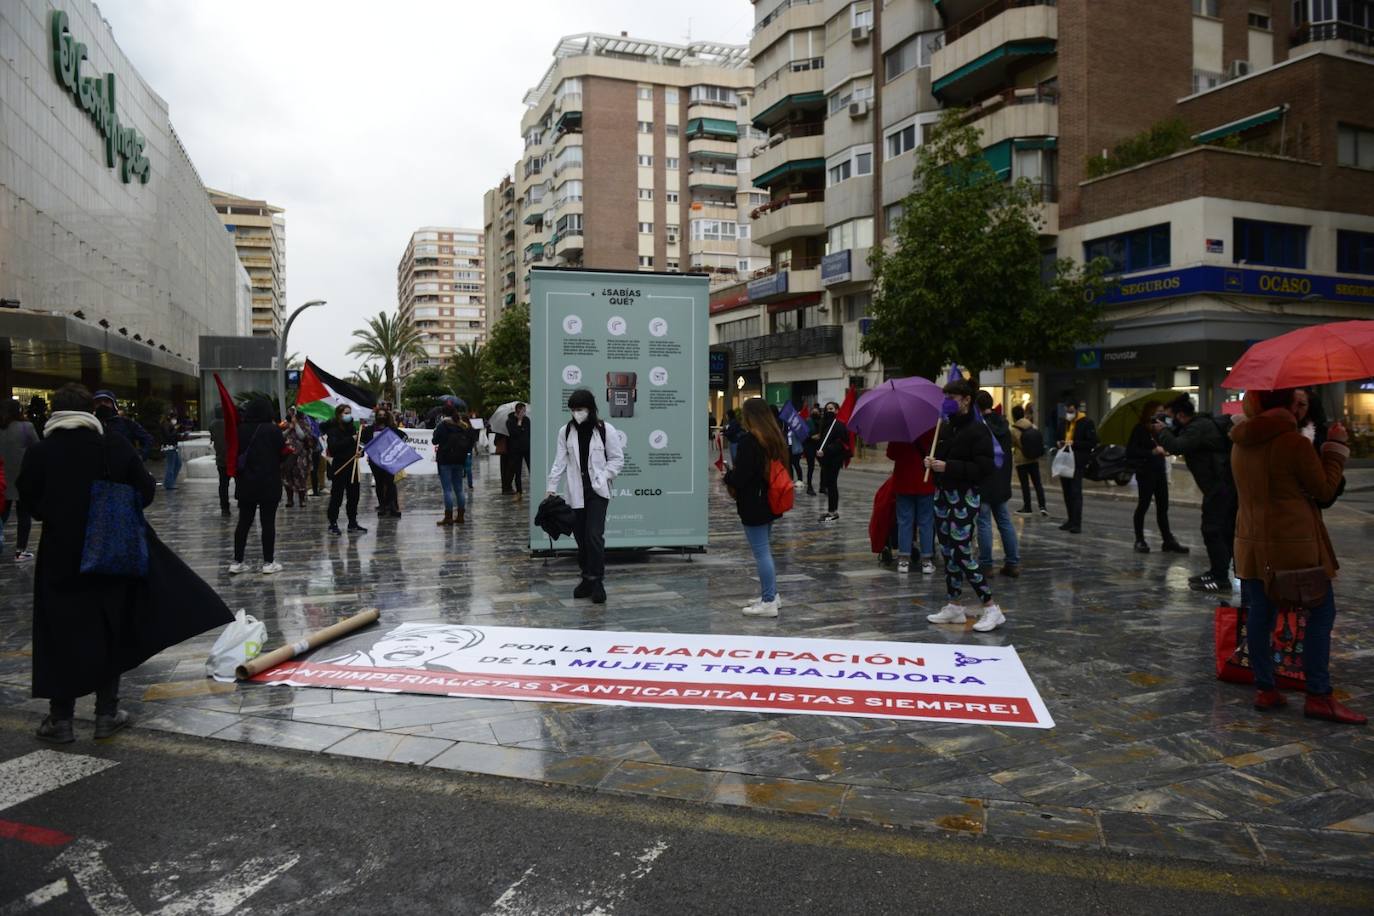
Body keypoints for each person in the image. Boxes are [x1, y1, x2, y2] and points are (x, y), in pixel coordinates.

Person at [19, 383, 232, 744]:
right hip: (110, 553)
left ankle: (61, 719)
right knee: (109, 628)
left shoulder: (41, 452)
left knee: (60, 632)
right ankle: (106, 714)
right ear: (91, 413)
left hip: (59, 556)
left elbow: (30, 502)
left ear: (56, 412)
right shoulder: (110, 445)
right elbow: (146, 491)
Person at [1232, 388, 1363, 724]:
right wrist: (1335, 449)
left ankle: (1266, 688)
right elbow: (1324, 490)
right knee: (1321, 613)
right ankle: (1319, 695)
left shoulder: (1241, 441)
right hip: (1295, 548)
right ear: (1290, 405)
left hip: (1252, 546)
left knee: (1261, 617)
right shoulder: (1293, 444)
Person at [924, 380, 1005, 632]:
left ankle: (991, 606)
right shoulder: (945, 427)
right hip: (942, 495)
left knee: (962, 551)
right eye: (945, 396)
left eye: (952, 396)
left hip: (965, 497)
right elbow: (941, 460)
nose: (947, 400)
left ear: (966, 399)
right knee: (947, 550)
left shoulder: (978, 430)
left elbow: (984, 468)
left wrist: (949, 467)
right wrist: (929, 462)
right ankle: (955, 605)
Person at [546, 390, 624, 605]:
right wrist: (551, 487)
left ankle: (597, 580)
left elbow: (617, 460)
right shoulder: (565, 432)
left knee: (594, 536)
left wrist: (603, 476)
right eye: (573, 410)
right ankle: (586, 579)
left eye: (579, 409)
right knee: (580, 537)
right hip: (575, 493)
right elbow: (559, 461)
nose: (576, 413)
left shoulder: (605, 430)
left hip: (598, 492)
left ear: (590, 408)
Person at [1155, 394, 1234, 592]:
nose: (1167, 421)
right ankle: (1217, 572)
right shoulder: (1194, 426)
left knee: (1213, 530)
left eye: (1169, 417)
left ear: (1180, 415)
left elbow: (1176, 446)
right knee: (1218, 530)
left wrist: (1163, 431)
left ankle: (1221, 577)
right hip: (1218, 487)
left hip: (1221, 487)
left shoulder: (1199, 427)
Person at [723, 399, 788, 617]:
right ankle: (772, 594)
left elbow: (741, 477)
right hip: (769, 501)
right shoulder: (773, 438)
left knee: (761, 552)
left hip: (754, 502)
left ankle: (768, 601)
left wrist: (727, 476)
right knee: (765, 550)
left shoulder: (750, 441)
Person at [231, 398, 285, 575]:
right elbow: (282, 453)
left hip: (246, 483)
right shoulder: (273, 430)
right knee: (268, 523)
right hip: (269, 483)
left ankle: (237, 561)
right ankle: (268, 563)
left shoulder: (240, 429)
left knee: (244, 522)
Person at [1127, 401, 1188, 555]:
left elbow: (1170, 441)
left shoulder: (1159, 429)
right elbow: (1132, 451)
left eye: (1162, 411)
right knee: (1144, 505)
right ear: (1150, 412)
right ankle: (1139, 539)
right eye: (1157, 411)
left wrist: (1165, 446)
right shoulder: (1140, 429)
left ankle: (1168, 540)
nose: (1160, 414)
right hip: (1145, 472)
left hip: (1159, 471)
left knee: (1163, 507)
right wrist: (1151, 452)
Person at [975, 391, 1020, 577]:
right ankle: (1013, 562)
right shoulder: (1004, 425)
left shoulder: (980, 427)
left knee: (984, 522)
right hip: (1001, 481)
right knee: (1004, 521)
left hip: (984, 481)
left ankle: (986, 565)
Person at [886, 428, 937, 576]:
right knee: (926, 522)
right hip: (925, 482)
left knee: (904, 521)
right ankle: (927, 560)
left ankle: (904, 560)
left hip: (903, 482)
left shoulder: (898, 432)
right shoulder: (931, 430)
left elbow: (891, 454)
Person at [0, 401, 39, 561]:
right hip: (22, 477)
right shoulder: (26, 427)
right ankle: (20, 551)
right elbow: (36, 448)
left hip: (2, 477)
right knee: (24, 515)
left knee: (2, 513)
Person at [322, 404, 367, 536]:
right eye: (346, 413)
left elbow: (357, 445)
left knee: (354, 496)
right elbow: (334, 448)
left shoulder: (352, 428)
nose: (349, 415)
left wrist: (360, 452)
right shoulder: (333, 430)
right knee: (337, 496)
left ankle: (352, 522)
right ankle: (333, 523)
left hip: (353, 467)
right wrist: (351, 439)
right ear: (339, 414)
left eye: (350, 412)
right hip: (340, 467)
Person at [1056, 400, 1097, 534]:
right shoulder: (1063, 422)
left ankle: (1076, 522)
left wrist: (1074, 443)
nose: (1069, 413)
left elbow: (1091, 442)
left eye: (1071, 411)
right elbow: (1058, 436)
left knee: (1075, 492)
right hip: (1064, 459)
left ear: (1077, 410)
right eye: (1067, 410)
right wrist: (1059, 443)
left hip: (1077, 461)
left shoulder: (1086, 422)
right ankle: (1070, 520)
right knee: (1067, 491)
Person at [434, 404, 477, 525]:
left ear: (443, 414)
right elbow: (471, 439)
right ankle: (460, 516)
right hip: (459, 459)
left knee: (447, 489)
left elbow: (434, 440)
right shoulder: (462, 424)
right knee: (459, 489)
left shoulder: (442, 425)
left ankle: (448, 517)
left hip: (445, 460)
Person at [363, 408, 402, 518]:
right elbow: (363, 441)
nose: (381, 417)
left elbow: (400, 440)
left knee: (390, 483)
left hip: (389, 460)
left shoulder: (392, 429)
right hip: (375, 461)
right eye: (379, 415)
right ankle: (382, 505)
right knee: (379, 483)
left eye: (383, 415)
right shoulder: (370, 429)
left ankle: (392, 505)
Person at [816, 401, 850, 523]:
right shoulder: (824, 424)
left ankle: (833, 511)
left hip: (834, 460)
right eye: (827, 409)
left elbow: (842, 443)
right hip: (825, 461)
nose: (828, 411)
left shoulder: (839, 425)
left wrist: (827, 450)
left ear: (836, 410)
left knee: (832, 485)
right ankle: (830, 510)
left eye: (831, 409)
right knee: (828, 484)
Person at [1011, 405, 1047, 516]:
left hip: (1022, 460)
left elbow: (1013, 443)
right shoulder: (1032, 425)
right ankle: (1042, 507)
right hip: (1033, 458)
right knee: (1037, 483)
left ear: (1013, 416)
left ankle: (1027, 507)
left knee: (1025, 485)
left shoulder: (1013, 429)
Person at [93, 390, 152, 456]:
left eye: (106, 401)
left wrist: (140, 456)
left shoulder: (126, 423)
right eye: (98, 402)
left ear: (114, 404)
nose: (102, 404)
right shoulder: (90, 424)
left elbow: (147, 439)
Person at [282, 407, 316, 508]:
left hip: (301, 455)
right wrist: (289, 427)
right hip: (288, 454)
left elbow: (303, 436)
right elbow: (281, 436)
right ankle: (290, 499)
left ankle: (302, 499)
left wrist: (296, 425)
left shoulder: (305, 424)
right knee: (287, 475)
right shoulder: (285, 424)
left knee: (300, 475)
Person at [209, 407, 232, 517]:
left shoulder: (212, 425)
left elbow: (213, 439)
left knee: (223, 485)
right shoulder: (229, 423)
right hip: (232, 458)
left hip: (221, 459)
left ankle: (225, 508)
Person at [506, 402, 531, 495]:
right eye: (523, 411)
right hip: (516, 450)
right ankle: (519, 491)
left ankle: (534, 487)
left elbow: (528, 433)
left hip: (527, 449)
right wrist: (519, 423)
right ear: (518, 411)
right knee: (518, 472)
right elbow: (514, 433)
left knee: (531, 469)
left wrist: (522, 427)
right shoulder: (510, 421)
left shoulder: (527, 420)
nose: (525, 412)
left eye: (525, 410)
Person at [158, 408, 185, 491]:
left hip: (172, 446)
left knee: (178, 463)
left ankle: (169, 482)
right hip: (169, 447)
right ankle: (169, 483)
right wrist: (175, 429)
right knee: (171, 465)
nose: (175, 419)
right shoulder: (166, 424)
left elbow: (172, 435)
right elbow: (169, 436)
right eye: (174, 417)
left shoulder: (168, 424)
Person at [803, 406, 821, 496]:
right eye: (813, 412)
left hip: (819, 447)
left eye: (817, 411)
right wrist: (811, 437)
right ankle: (809, 486)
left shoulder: (822, 422)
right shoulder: (807, 421)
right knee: (811, 467)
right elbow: (802, 435)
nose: (815, 413)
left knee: (824, 466)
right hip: (809, 446)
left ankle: (823, 486)